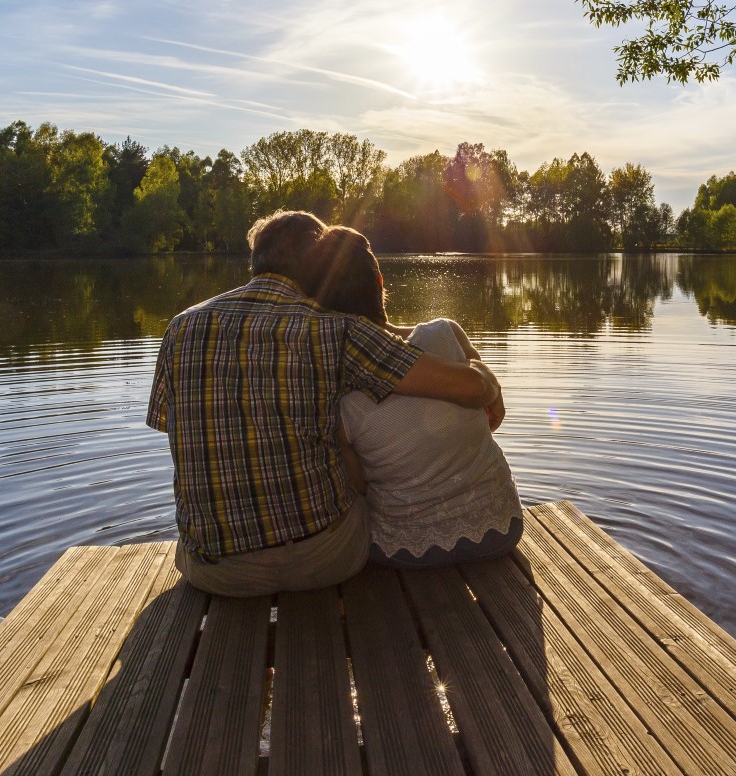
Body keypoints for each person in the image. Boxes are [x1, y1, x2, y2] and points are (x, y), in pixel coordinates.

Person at [146, 210, 505, 597]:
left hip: (213, 572)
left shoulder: (180, 326)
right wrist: (487, 381)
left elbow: (173, 426)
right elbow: (464, 388)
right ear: (316, 267)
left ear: (256, 261)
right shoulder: (335, 329)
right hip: (324, 559)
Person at [295, 226, 522, 568]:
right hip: (502, 529)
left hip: (403, 551)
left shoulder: (339, 400)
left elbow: (359, 487)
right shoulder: (447, 332)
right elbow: (490, 415)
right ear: (381, 283)